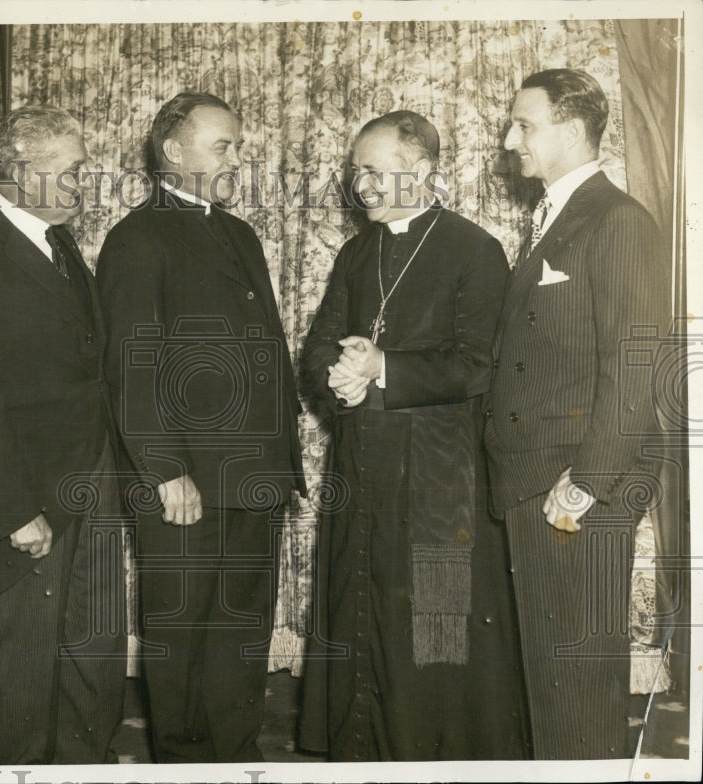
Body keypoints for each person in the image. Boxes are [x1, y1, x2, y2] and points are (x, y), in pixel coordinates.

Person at [298, 111, 530, 760]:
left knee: (435, 636)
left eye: (376, 171)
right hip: (361, 471)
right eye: (356, 172)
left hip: (437, 481)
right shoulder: (356, 253)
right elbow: (317, 348)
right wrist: (340, 378)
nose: (362, 185)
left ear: (422, 171)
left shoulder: (473, 249)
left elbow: (479, 364)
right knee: (361, 616)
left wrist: (383, 368)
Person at [96, 92, 307, 763]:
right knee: (182, 635)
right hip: (185, 482)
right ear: (173, 151)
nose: (237, 159)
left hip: (255, 474)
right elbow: (131, 366)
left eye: (238, 146)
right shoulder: (137, 238)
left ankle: (237, 757)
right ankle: (186, 766)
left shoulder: (239, 234)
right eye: (223, 146)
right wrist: (164, 470)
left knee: (242, 631)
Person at [0, 105, 126, 765]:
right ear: (14, 172)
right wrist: (13, 511)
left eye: (80, 171)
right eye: (67, 173)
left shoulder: (58, 242)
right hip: (26, 496)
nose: (80, 186)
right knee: (27, 660)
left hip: (90, 475)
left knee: (94, 647)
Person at [485, 69, 668, 759]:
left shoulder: (617, 220)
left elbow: (635, 361)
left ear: (571, 129)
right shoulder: (555, 216)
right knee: (551, 683)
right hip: (536, 479)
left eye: (524, 125)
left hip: (573, 487)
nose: (511, 141)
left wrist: (587, 480)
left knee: (577, 690)